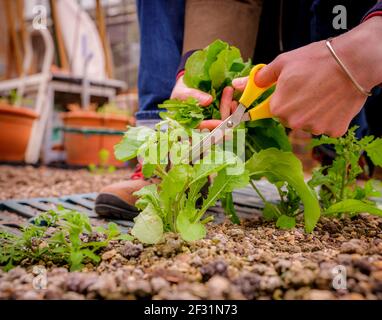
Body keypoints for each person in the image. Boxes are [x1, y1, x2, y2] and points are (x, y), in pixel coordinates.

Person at [95, 1, 382, 219]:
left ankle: (343, 166)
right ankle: (167, 163)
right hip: (252, 36)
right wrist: (197, 70)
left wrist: (360, 51)